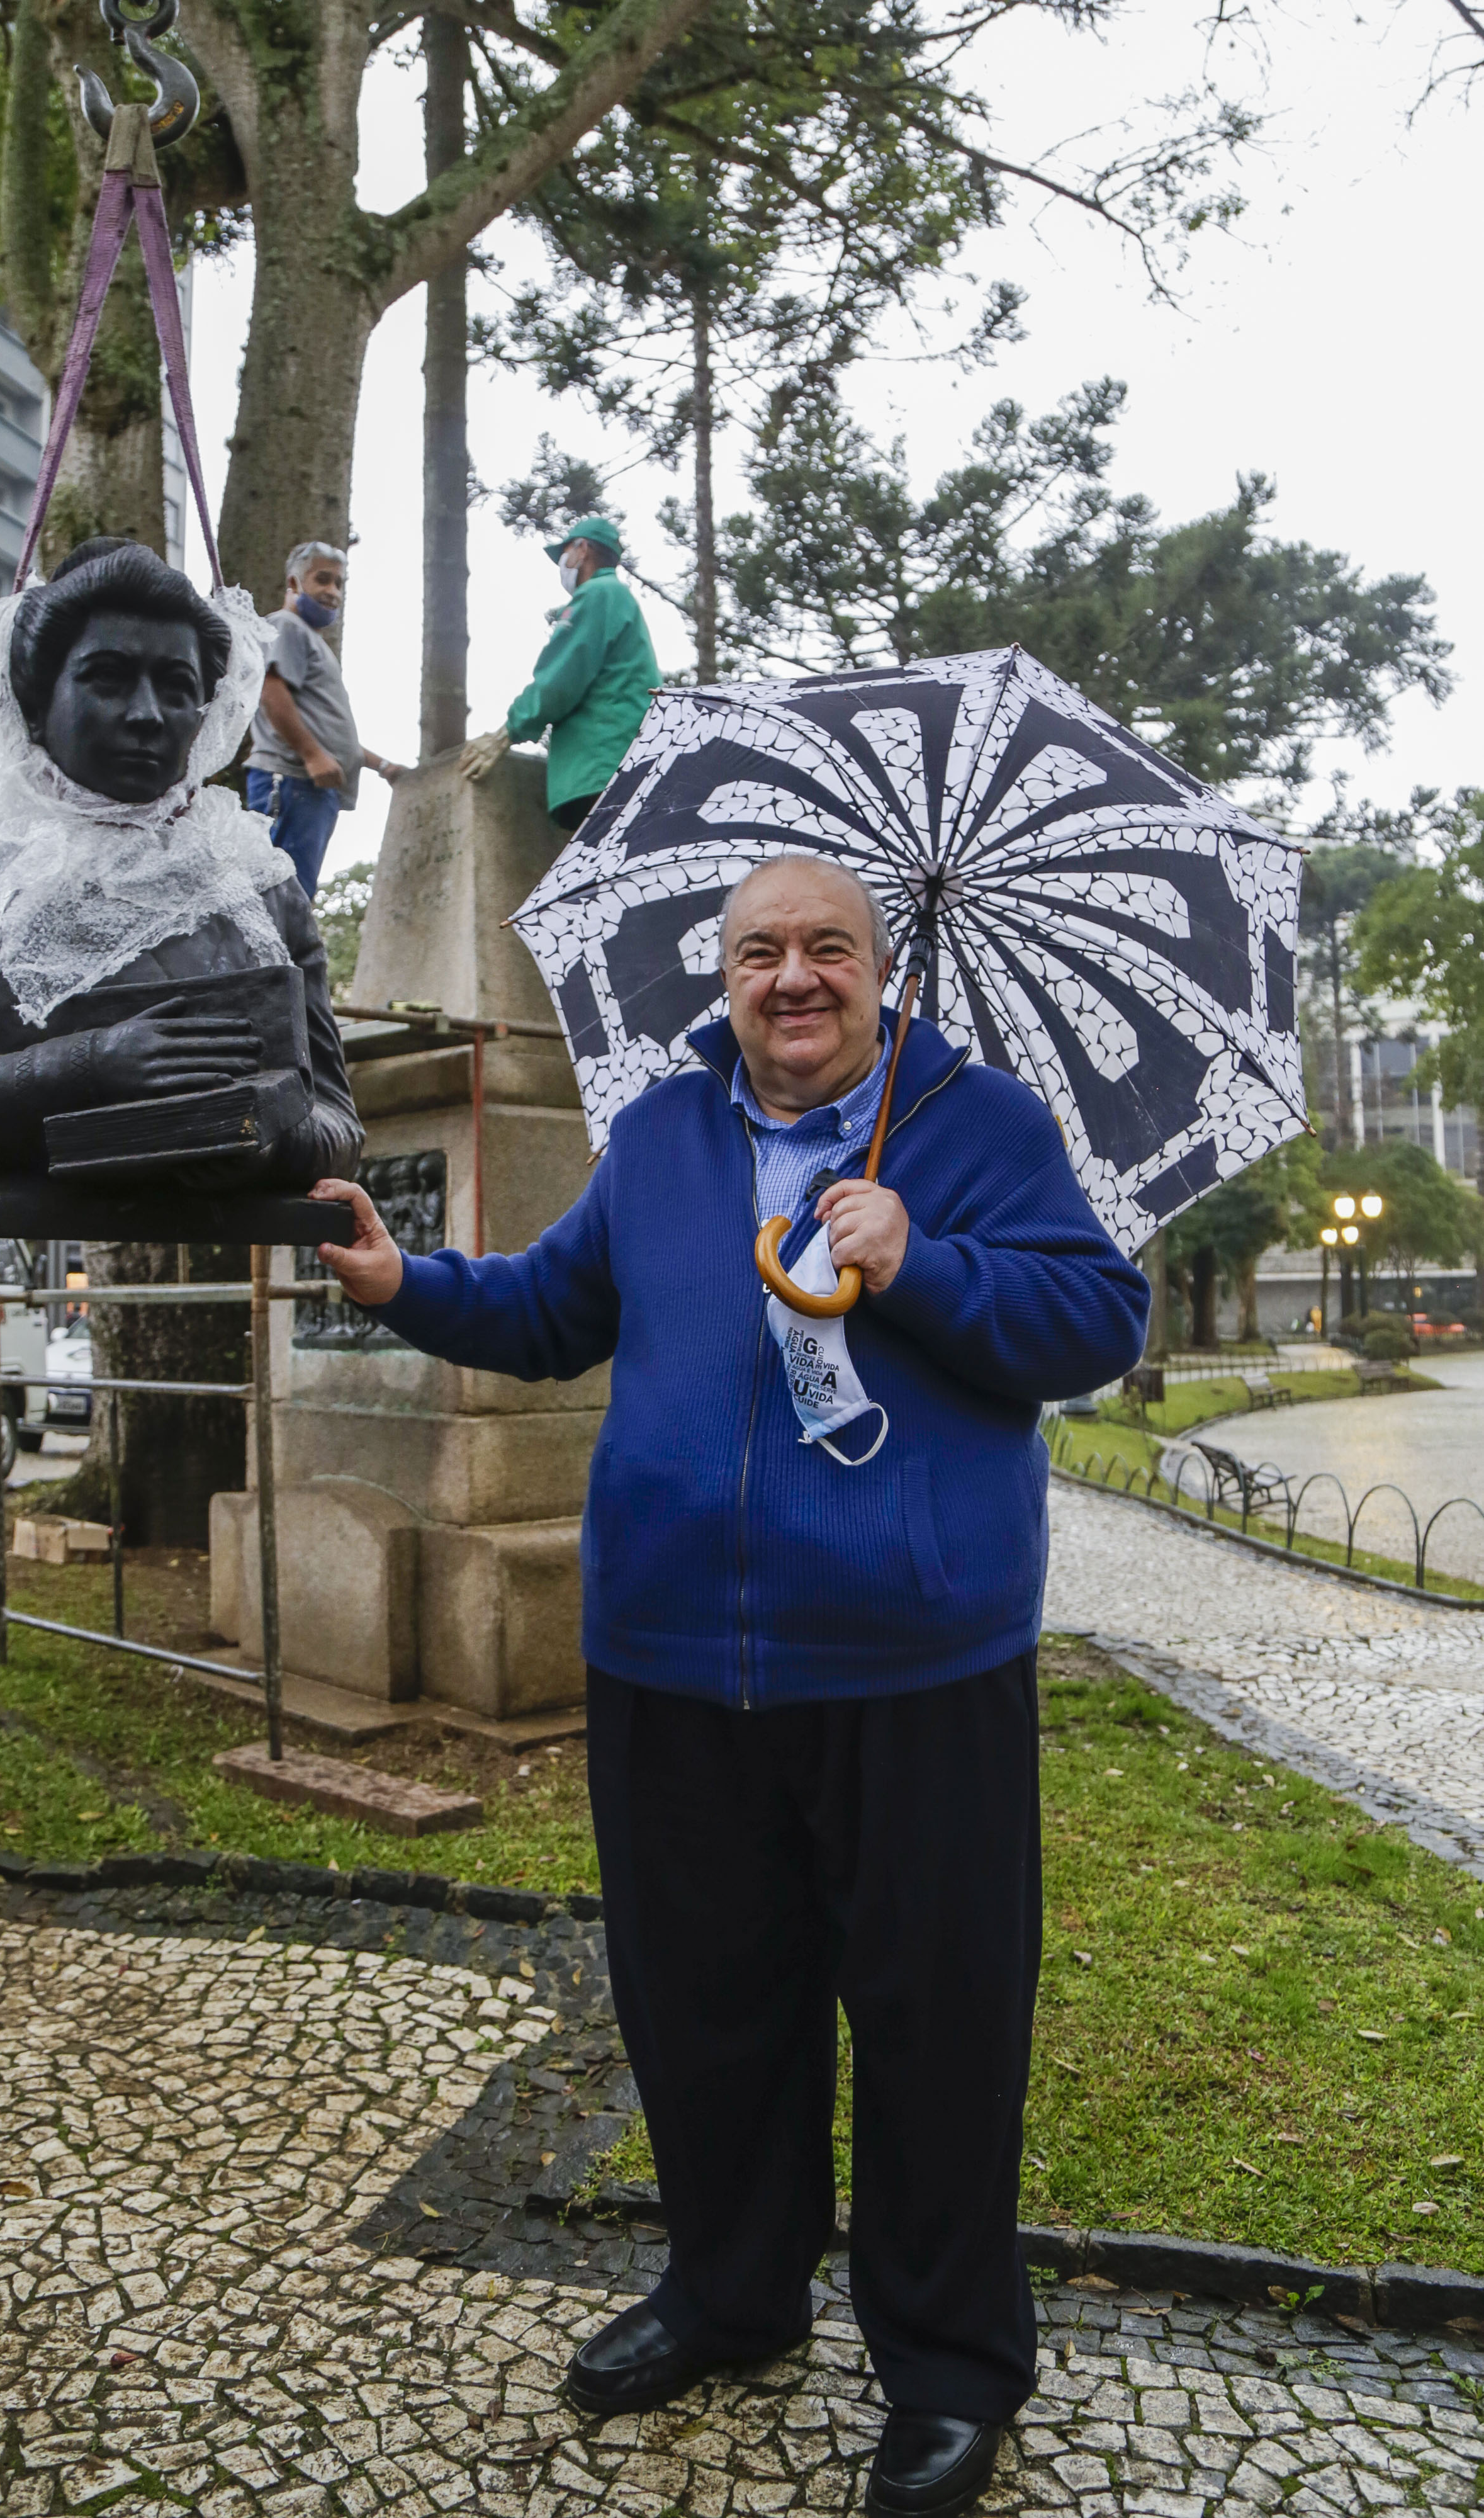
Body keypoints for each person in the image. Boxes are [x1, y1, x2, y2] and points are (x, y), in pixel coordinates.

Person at [309, 852, 1149, 2517]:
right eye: (759, 950)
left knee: (936, 2030)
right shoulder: (661, 1136)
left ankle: (948, 2371)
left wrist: (924, 1259)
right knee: (704, 2015)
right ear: (722, 973)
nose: (792, 979)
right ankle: (729, 2294)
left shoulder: (975, 1129)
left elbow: (1094, 1322)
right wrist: (403, 1285)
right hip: (674, 1667)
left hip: (918, 1670)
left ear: (877, 965)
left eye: (826, 947)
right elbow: (553, 1314)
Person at [0, 536, 363, 1193]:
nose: (146, 714)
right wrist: (85, 1066)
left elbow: (339, 1122)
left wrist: (252, 1135)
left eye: (177, 687)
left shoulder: (260, 884)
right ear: (37, 704)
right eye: (106, 679)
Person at [459, 515, 658, 830]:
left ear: (582, 549)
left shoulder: (598, 594)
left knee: (601, 870)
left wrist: (506, 733)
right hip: (624, 764)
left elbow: (561, 679)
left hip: (600, 768)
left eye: (564, 554)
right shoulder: (618, 598)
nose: (562, 564)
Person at [249, 540, 406, 898]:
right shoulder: (286, 625)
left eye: (339, 583)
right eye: (323, 580)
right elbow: (272, 691)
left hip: (315, 788)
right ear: (293, 584)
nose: (333, 592)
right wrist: (312, 755)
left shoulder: (312, 641)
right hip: (291, 780)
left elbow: (329, 730)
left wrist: (381, 765)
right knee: (279, 893)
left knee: (298, 892)